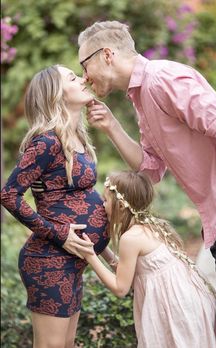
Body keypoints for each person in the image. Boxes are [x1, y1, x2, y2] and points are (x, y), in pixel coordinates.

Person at [78, 20, 216, 347]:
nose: (84, 74)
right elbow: (150, 170)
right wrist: (110, 126)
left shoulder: (162, 79)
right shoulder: (141, 97)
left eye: (84, 63)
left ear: (107, 54)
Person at [0, 65, 117, 348]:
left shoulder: (78, 139)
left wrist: (109, 255)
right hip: (48, 261)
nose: (83, 79)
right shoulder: (46, 142)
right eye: (73, 77)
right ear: (56, 94)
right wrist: (58, 234)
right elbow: (8, 195)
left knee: (67, 344)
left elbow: (78, 203)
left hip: (74, 261)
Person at [80, 170, 216, 348]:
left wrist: (89, 256)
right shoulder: (149, 226)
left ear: (121, 205)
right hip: (187, 300)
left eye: (106, 200)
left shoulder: (131, 238)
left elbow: (120, 288)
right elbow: (126, 271)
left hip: (174, 308)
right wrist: (100, 249)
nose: (102, 205)